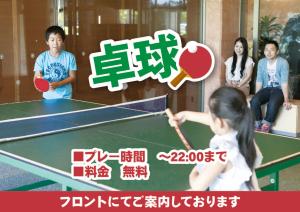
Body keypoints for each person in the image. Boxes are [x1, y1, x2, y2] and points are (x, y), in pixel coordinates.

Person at [168, 87, 262, 191]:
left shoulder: (223, 152)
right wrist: (185, 115)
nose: (208, 117)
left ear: (218, 122)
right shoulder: (244, 135)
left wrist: (195, 170)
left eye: (209, 113)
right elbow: (215, 121)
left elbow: (197, 187)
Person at [250, 40, 291, 133]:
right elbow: (259, 80)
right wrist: (257, 95)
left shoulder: (283, 63)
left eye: (272, 50)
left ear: (277, 51)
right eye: (266, 50)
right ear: (264, 51)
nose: (268, 52)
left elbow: (284, 82)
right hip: (266, 88)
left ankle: (266, 124)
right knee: (254, 100)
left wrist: (286, 99)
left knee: (272, 103)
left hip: (279, 89)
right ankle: (258, 122)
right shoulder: (261, 62)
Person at [33, 25, 77, 99]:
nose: (55, 43)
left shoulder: (70, 57)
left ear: (63, 41)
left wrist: (58, 84)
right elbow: (37, 76)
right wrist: (39, 81)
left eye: (59, 40)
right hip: (48, 97)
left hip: (65, 97)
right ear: (47, 42)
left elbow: (72, 77)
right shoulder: (41, 58)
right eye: (52, 40)